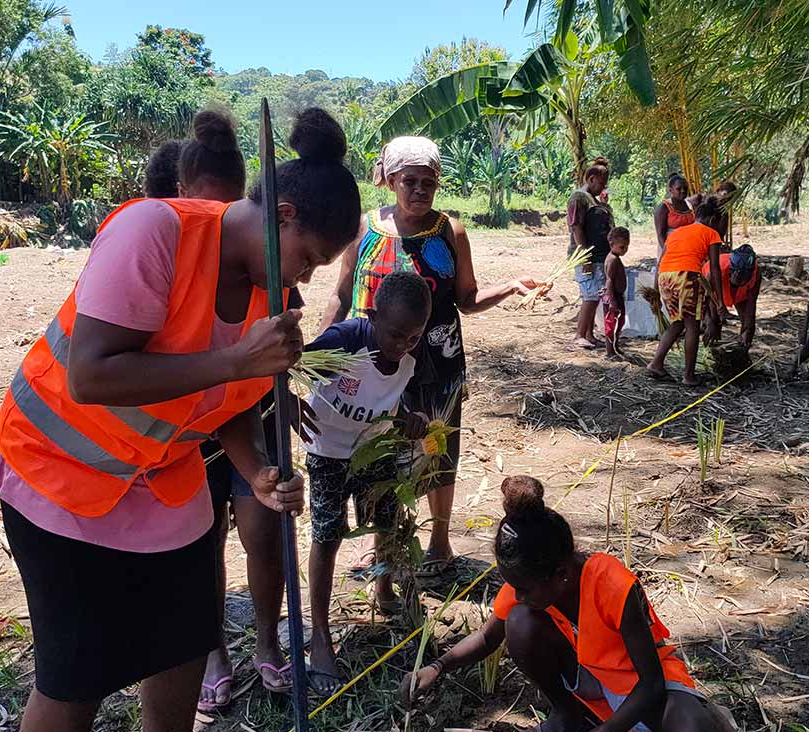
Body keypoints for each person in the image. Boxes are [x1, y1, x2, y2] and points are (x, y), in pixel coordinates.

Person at [0, 107, 361, 732]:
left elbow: (228, 403)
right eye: (309, 258)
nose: (306, 276)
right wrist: (234, 360)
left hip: (160, 482)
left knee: (184, 648)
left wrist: (256, 471)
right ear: (283, 216)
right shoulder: (154, 231)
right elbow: (92, 375)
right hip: (58, 475)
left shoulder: (272, 293)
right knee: (76, 678)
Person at [322, 135, 544, 577]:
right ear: (390, 180)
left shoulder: (450, 231)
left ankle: (439, 542)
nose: (420, 190)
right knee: (376, 451)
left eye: (429, 182)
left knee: (437, 448)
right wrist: (324, 348)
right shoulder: (363, 230)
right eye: (410, 181)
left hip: (437, 363)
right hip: (374, 365)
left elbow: (468, 299)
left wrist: (511, 286)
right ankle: (380, 543)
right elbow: (342, 293)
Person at [140, 110, 300, 712]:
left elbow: (279, 342)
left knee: (262, 527)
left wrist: (283, 394)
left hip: (248, 409)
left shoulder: (265, 256)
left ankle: (267, 641)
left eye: (231, 209)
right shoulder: (163, 248)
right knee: (202, 539)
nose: (219, 220)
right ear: (181, 192)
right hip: (187, 425)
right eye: (206, 205)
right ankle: (212, 653)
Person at [402, 476, 731, 732]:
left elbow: (652, 684)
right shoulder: (532, 583)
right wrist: (437, 667)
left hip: (640, 691)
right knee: (519, 622)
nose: (517, 596)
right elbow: (488, 638)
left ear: (560, 574)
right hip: (592, 683)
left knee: (693, 724)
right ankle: (568, 716)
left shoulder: (612, 584)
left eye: (524, 589)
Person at [302, 270, 432, 694]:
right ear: (373, 317)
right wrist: (288, 401)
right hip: (328, 450)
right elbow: (296, 367)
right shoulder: (346, 341)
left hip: (375, 446)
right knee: (328, 535)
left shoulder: (411, 356)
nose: (403, 345)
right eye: (395, 335)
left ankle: (384, 587)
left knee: (386, 522)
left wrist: (412, 419)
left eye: (413, 337)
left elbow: (398, 399)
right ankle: (320, 635)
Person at [647, 201, 725, 386]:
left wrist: (656, 289)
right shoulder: (711, 233)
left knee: (678, 322)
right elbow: (715, 268)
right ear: (712, 220)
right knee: (692, 325)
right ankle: (689, 376)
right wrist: (720, 300)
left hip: (666, 277)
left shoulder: (677, 232)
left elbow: (660, 261)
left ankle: (656, 364)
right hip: (687, 277)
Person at [568, 158, 615, 349]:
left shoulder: (594, 200)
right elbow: (576, 227)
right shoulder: (579, 198)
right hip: (587, 257)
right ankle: (579, 334)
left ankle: (589, 333)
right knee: (589, 296)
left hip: (599, 256)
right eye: (601, 183)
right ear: (591, 179)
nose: (603, 187)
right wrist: (584, 255)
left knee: (595, 295)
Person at [701, 244, 760, 351]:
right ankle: (711, 351)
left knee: (748, 326)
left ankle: (743, 349)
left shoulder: (756, 274)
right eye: (737, 278)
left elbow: (751, 307)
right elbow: (702, 302)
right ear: (731, 271)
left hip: (741, 295)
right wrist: (708, 322)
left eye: (744, 279)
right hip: (715, 294)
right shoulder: (715, 273)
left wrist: (747, 330)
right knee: (714, 322)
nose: (741, 281)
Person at [601, 227, 630, 359]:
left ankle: (615, 346)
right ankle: (610, 352)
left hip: (617, 295)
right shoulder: (612, 259)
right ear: (612, 244)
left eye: (627, 247)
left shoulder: (616, 257)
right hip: (613, 296)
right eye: (622, 247)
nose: (625, 250)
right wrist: (612, 300)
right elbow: (609, 280)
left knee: (619, 322)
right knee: (611, 325)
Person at [653, 174, 694, 264]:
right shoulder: (663, 208)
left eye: (685, 188)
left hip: (688, 251)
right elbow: (660, 235)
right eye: (679, 189)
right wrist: (669, 252)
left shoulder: (690, 205)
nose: (683, 191)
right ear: (670, 190)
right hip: (670, 251)